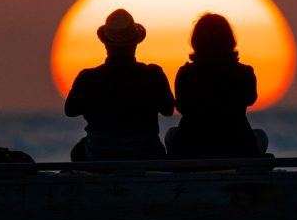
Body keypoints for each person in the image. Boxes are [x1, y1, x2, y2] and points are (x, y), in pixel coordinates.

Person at [65, 9, 174, 162]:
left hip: (100, 155)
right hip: (147, 154)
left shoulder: (88, 78)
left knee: (78, 150)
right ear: (135, 44)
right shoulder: (153, 74)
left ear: (105, 45)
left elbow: (70, 110)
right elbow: (168, 110)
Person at [166, 13, 268, 159]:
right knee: (260, 135)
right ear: (229, 40)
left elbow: (181, 107)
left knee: (171, 133)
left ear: (196, 41)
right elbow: (251, 99)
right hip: (237, 147)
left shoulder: (185, 73)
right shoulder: (244, 72)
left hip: (191, 148)